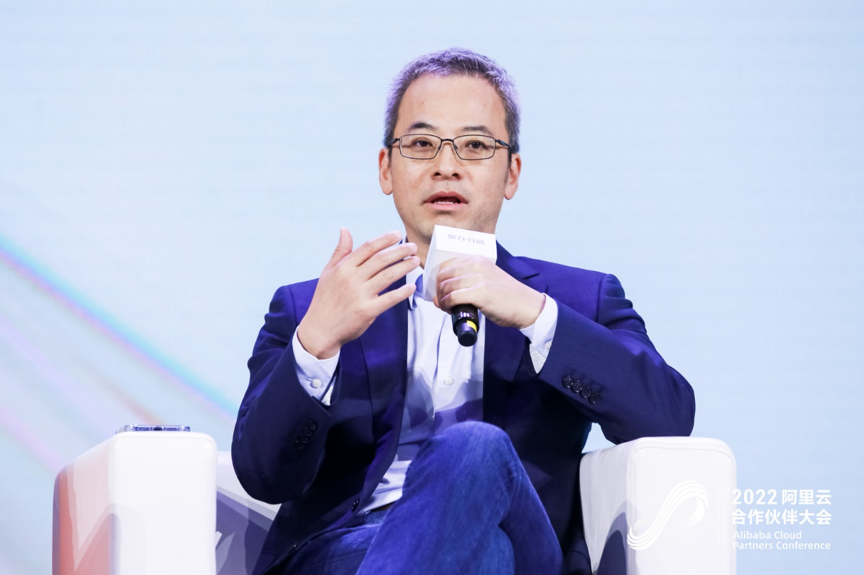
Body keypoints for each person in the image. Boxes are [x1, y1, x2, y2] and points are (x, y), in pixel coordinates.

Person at [232, 48, 695, 575]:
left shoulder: (579, 299)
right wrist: (315, 345)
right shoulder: (310, 307)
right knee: (487, 557)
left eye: (475, 145)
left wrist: (536, 316)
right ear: (386, 169)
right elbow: (262, 476)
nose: (446, 166)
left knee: (474, 448)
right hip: (348, 552)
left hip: (523, 543)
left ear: (511, 173)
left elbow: (667, 417)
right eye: (421, 144)